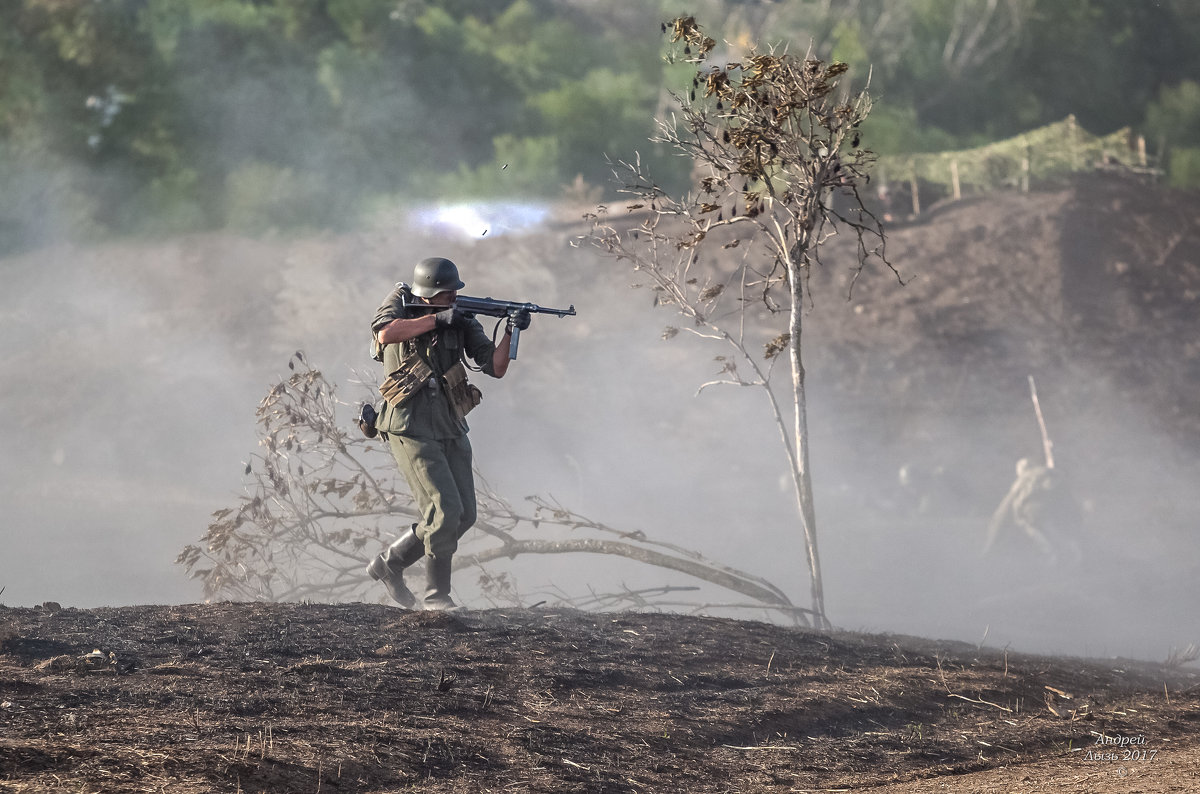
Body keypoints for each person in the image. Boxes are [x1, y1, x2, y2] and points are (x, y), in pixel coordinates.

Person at [364, 257, 530, 610]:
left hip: (449, 424)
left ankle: (390, 563)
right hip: (409, 424)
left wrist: (512, 329)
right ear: (427, 293)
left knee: (464, 514)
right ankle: (436, 598)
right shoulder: (399, 302)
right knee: (444, 510)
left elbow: (496, 367)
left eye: (455, 291)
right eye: (446, 292)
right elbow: (385, 332)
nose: (453, 297)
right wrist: (437, 320)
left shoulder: (462, 320)